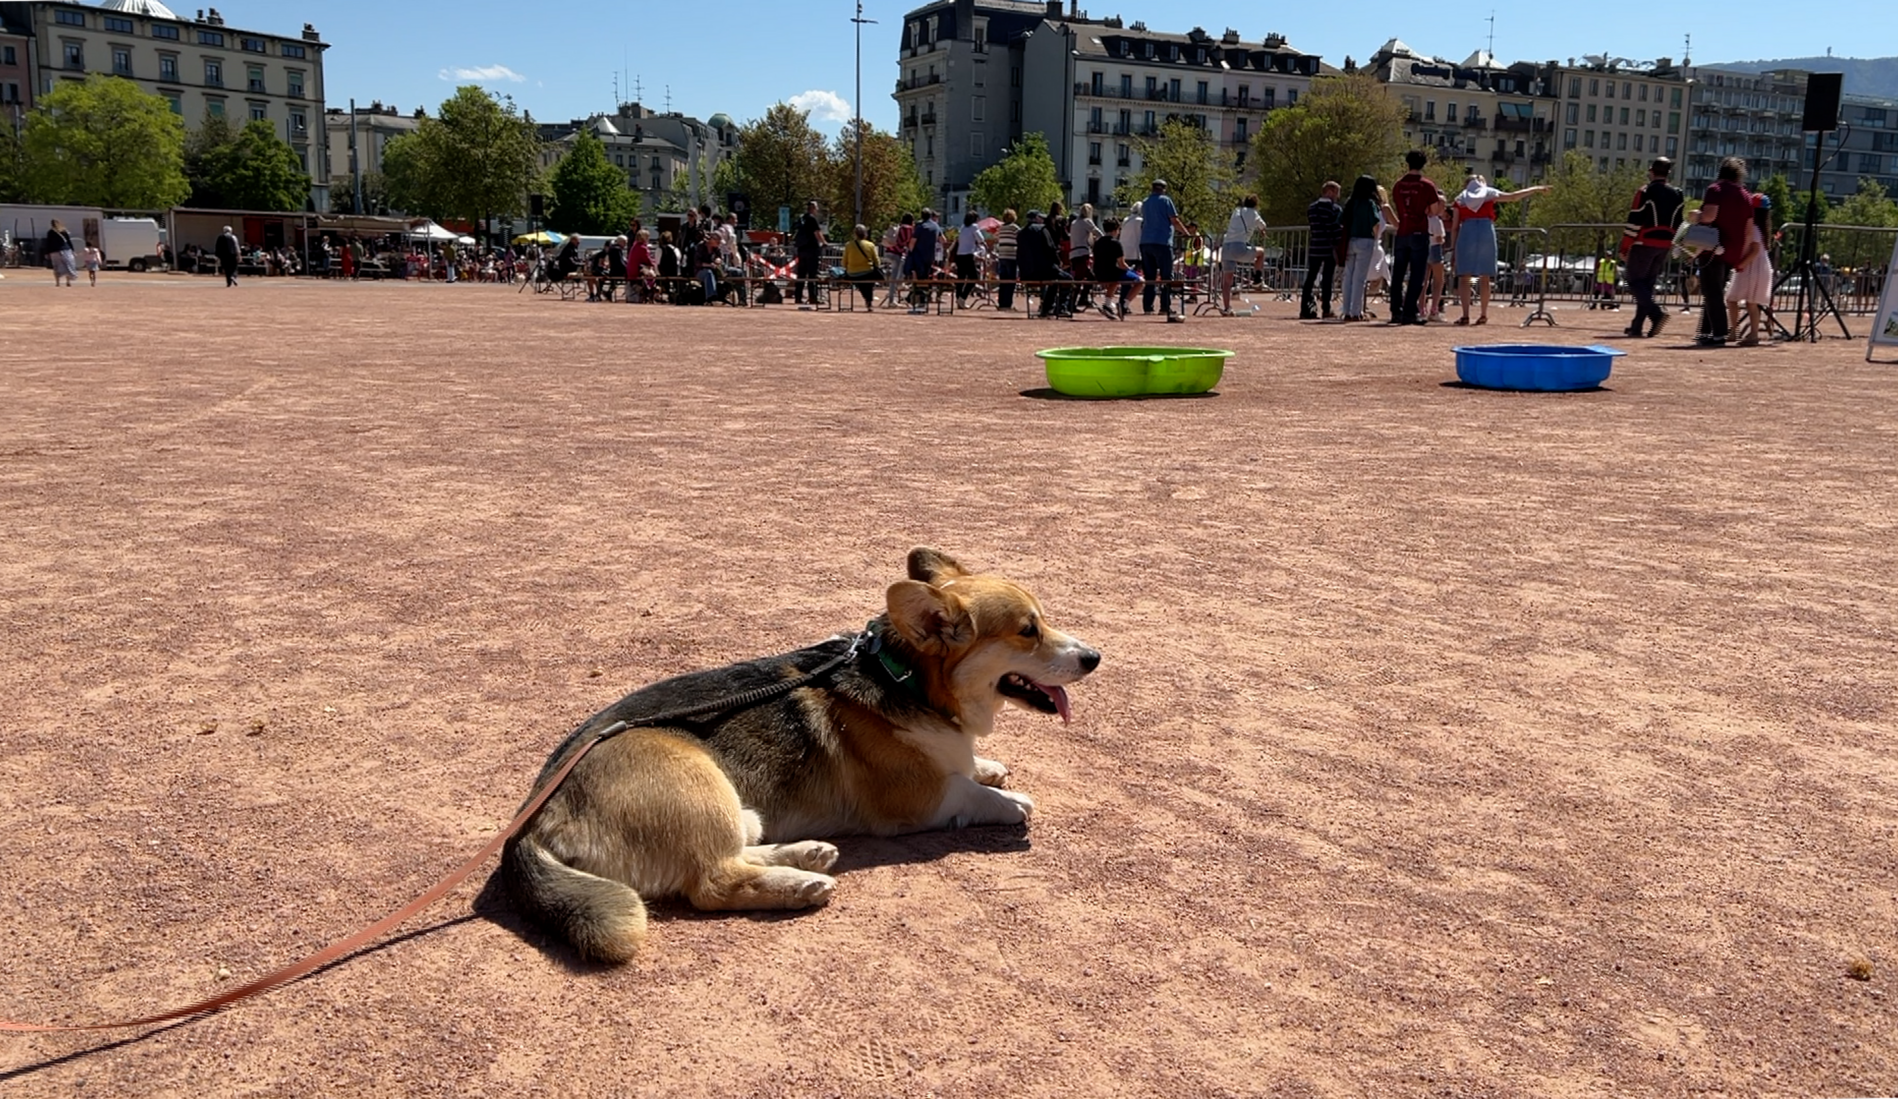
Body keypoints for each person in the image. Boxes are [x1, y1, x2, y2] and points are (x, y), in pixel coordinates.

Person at [1451, 175, 1548, 325]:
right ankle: (1483, 314)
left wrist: (1453, 247)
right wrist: (1535, 189)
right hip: (1486, 231)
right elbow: (1513, 197)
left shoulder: (1460, 199)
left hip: (1467, 232)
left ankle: (1465, 315)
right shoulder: (1488, 194)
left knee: (1465, 278)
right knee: (1485, 277)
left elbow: (1455, 226)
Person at [1618, 156, 1685, 339]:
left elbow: (1635, 220)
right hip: (1665, 244)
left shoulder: (1645, 191)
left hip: (1644, 242)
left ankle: (1656, 314)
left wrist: (1624, 247)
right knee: (1646, 285)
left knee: (1633, 281)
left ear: (1651, 171)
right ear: (1668, 173)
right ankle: (1637, 326)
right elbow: (1679, 222)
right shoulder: (1677, 193)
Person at [1694, 157, 1753, 347]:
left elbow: (1709, 216)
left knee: (1711, 292)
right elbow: (1749, 229)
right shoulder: (1745, 195)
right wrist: (1741, 255)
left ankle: (1718, 333)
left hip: (1712, 246)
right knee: (1715, 290)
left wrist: (1696, 216)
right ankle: (1705, 331)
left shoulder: (1715, 190)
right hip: (1733, 249)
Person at [1388, 150, 1439, 325]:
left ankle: (1396, 310)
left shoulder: (1398, 185)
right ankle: (1410, 311)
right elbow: (1433, 211)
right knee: (1417, 274)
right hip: (1419, 230)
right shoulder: (1427, 185)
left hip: (1403, 230)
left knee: (1398, 274)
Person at [1724, 193, 1774, 347]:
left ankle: (1736, 331)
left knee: (1733, 299)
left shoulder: (1753, 228)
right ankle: (1750, 332)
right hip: (1758, 266)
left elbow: (1754, 249)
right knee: (1751, 302)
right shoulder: (1763, 230)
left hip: (1751, 266)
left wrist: (1741, 264)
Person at [1138, 179, 1190, 319]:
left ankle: (1148, 307)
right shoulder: (1166, 201)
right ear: (1164, 189)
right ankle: (1164, 307)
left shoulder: (1145, 202)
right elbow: (1174, 220)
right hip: (1162, 242)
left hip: (1145, 242)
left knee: (1150, 277)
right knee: (1166, 277)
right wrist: (1186, 233)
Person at [1337, 175, 1386, 322]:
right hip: (1365, 240)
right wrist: (1376, 238)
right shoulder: (1370, 203)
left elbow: (1341, 221)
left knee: (1348, 277)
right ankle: (1356, 311)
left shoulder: (1350, 203)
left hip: (1350, 240)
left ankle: (1346, 310)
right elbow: (1376, 222)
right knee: (1360, 278)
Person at [1302, 181, 1342, 319]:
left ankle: (1304, 308)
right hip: (1329, 247)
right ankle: (1326, 308)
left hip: (1315, 246)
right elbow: (1336, 229)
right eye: (1336, 192)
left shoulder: (1311, 208)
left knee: (1310, 277)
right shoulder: (1334, 209)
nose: (1337, 196)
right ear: (1330, 192)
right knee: (1327, 279)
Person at [1220, 194, 1266, 315]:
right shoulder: (1253, 213)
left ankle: (1227, 308)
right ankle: (1257, 278)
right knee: (1261, 252)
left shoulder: (1236, 211)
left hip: (1226, 247)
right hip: (1239, 246)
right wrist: (1261, 230)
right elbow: (1263, 225)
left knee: (1227, 281)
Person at [1092, 216, 1135, 320]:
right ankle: (1124, 306)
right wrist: (1131, 270)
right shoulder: (1116, 243)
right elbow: (1121, 264)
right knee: (1140, 281)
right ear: (1116, 229)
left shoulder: (1098, 242)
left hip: (1098, 273)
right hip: (1112, 273)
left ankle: (1107, 305)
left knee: (1114, 280)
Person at [904, 209, 941, 313]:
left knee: (919, 279)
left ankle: (921, 302)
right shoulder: (936, 226)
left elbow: (912, 242)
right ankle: (921, 300)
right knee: (925, 278)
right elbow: (943, 240)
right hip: (930, 256)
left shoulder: (920, 227)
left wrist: (910, 253)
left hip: (919, 256)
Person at [793, 199, 827, 307]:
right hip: (811, 249)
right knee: (812, 274)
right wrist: (824, 242)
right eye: (816, 208)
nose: (817, 210)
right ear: (813, 208)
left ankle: (798, 297)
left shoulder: (802, 218)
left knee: (801, 274)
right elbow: (817, 232)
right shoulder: (812, 219)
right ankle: (813, 297)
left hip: (801, 249)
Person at [842, 224, 881, 310]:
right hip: (867, 272)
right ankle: (869, 301)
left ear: (855, 234)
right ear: (865, 234)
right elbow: (877, 261)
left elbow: (844, 262)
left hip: (852, 273)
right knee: (869, 282)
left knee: (861, 282)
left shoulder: (848, 245)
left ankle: (867, 298)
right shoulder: (870, 245)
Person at [953, 211, 983, 307]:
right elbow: (981, 239)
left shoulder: (962, 227)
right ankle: (963, 297)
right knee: (974, 278)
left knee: (961, 278)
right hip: (968, 255)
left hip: (959, 255)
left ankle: (958, 299)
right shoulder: (974, 227)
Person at [993, 209, 1021, 311]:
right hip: (1011, 256)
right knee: (1011, 281)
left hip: (1002, 256)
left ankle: (1001, 303)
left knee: (1003, 280)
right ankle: (1008, 304)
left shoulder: (1001, 229)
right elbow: (1020, 239)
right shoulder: (1014, 228)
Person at [43, 220, 76, 287]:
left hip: (55, 251)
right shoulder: (64, 231)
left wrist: (47, 252)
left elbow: (48, 243)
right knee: (68, 266)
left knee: (56, 267)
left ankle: (58, 282)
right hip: (66, 250)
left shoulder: (50, 232)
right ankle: (68, 281)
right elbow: (69, 242)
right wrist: (73, 250)